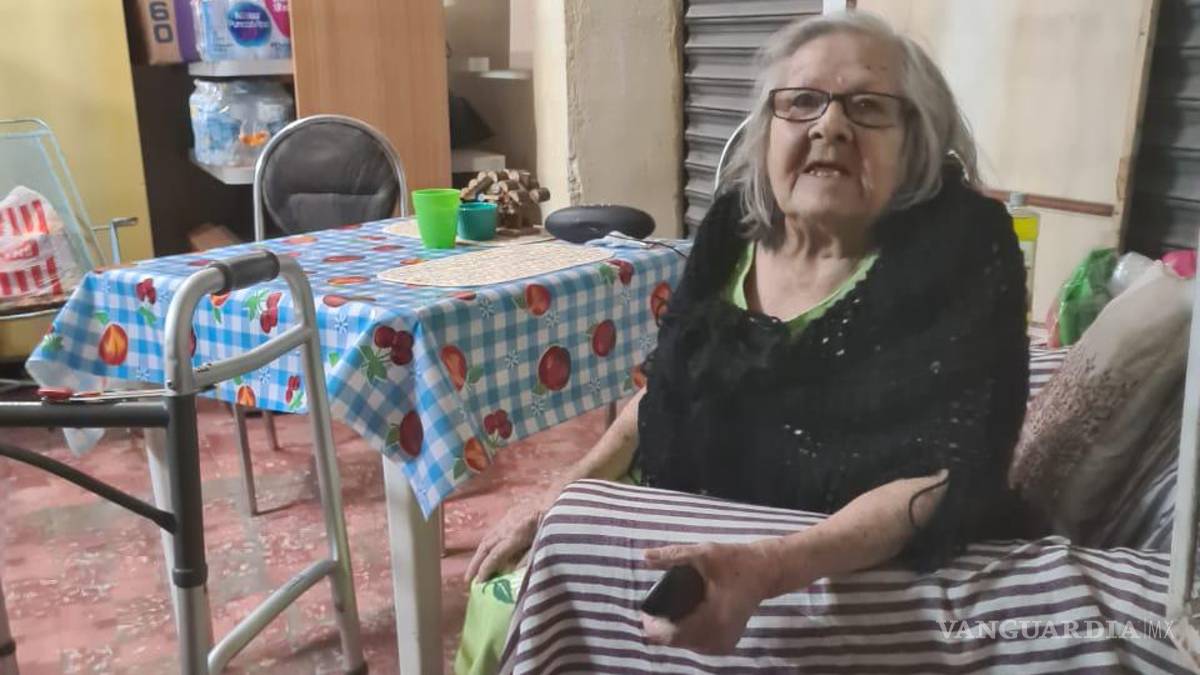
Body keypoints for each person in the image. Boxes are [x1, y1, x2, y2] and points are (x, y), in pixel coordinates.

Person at [457, 10, 1030, 669]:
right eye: (802, 102)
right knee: (500, 599)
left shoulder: (964, 249)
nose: (830, 125)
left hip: (830, 556)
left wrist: (768, 566)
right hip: (680, 507)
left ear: (917, 141)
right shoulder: (732, 225)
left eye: (869, 107)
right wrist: (561, 492)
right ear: (767, 132)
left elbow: (947, 473)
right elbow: (668, 391)